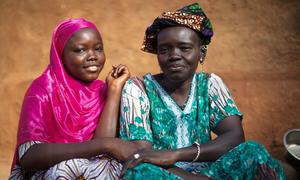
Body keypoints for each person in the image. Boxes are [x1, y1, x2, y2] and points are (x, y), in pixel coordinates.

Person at [119, 3, 285, 179]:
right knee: (138, 171)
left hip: (210, 173)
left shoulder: (210, 84)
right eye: (164, 49)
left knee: (252, 151)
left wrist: (176, 154)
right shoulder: (138, 89)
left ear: (201, 53)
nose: (174, 55)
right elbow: (142, 154)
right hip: (166, 174)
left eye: (184, 48)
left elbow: (234, 136)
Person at [9, 18, 137, 179]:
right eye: (80, 50)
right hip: (49, 174)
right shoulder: (43, 89)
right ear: (60, 56)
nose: (92, 56)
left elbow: (100, 154)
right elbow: (29, 157)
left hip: (89, 171)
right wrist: (106, 145)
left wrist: (113, 91)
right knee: (65, 169)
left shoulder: (102, 90)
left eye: (98, 49)